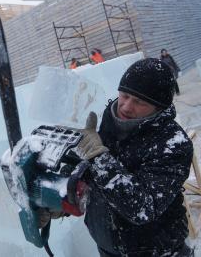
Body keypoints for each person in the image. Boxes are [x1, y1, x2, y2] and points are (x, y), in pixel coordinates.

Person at [68, 58, 193, 256]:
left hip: (156, 252)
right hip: (108, 246)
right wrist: (64, 198)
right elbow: (91, 173)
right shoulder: (109, 120)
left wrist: (98, 158)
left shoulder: (173, 144)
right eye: (124, 95)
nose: (126, 106)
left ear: (158, 107)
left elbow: (142, 207)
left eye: (139, 102)